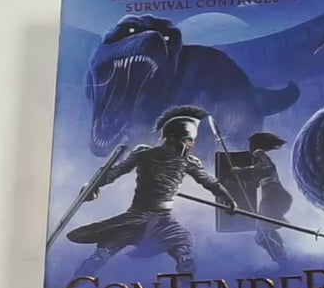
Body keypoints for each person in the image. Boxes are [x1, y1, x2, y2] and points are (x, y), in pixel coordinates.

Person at [66, 105, 236, 277]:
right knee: (107, 248)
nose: (191, 145)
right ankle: (80, 277)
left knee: (181, 244)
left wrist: (228, 198)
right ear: (172, 137)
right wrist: (92, 186)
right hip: (137, 214)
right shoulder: (144, 154)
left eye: (192, 140)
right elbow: (114, 173)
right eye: (188, 139)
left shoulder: (187, 162)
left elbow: (209, 182)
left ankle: (186, 282)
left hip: (162, 218)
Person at [238, 131, 293, 263]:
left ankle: (282, 259)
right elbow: (258, 178)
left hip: (273, 196)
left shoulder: (258, 153)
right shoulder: (258, 159)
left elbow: (266, 166)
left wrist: (243, 169)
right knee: (266, 230)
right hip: (277, 196)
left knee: (262, 232)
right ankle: (282, 256)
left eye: (250, 144)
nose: (249, 147)